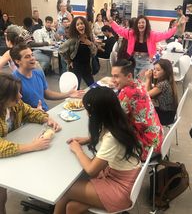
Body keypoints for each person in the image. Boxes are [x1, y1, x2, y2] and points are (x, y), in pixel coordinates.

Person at [53, 87, 142, 214]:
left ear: (96, 113)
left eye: (88, 110)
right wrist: (88, 139)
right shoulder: (118, 121)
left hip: (120, 188)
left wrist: (77, 150)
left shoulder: (112, 138)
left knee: (65, 189)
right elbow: (106, 135)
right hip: (127, 178)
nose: (87, 114)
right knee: (71, 207)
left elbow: (91, 170)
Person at [0, 72, 61, 214]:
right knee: (1, 195)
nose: (20, 97)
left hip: (11, 153)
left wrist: (47, 119)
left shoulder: (15, 104)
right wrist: (31, 146)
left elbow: (30, 112)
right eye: (16, 94)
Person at [111, 59, 163, 160]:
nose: (113, 80)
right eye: (112, 76)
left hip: (147, 147)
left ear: (129, 76)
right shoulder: (138, 83)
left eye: (116, 76)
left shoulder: (126, 93)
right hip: (156, 138)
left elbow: (114, 120)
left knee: (110, 139)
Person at [11, 43, 83, 111]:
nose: (32, 58)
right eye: (27, 57)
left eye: (32, 55)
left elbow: (46, 94)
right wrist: (34, 111)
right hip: (28, 119)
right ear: (17, 61)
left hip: (44, 112)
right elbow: (15, 108)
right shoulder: (13, 80)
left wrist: (68, 94)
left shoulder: (38, 72)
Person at [107, 11, 179, 77]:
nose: (141, 24)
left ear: (146, 24)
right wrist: (111, 21)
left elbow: (165, 34)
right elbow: (119, 30)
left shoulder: (152, 35)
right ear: (136, 25)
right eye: (139, 23)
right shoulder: (131, 33)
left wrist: (176, 27)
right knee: (132, 81)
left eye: (143, 22)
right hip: (133, 60)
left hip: (146, 62)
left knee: (144, 82)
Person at [59, 16, 97, 89]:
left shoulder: (90, 36)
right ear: (75, 27)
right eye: (77, 24)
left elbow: (94, 53)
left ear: (85, 24)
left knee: (94, 88)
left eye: (81, 23)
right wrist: (69, 61)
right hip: (76, 68)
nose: (80, 26)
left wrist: (90, 44)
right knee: (76, 89)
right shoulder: (73, 39)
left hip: (87, 66)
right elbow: (61, 50)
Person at [145, 59, 178, 125]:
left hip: (166, 117)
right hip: (168, 113)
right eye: (154, 69)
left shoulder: (163, 84)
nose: (154, 71)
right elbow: (149, 94)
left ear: (165, 72)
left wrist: (148, 79)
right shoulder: (166, 81)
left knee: (141, 113)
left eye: (158, 70)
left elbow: (146, 95)